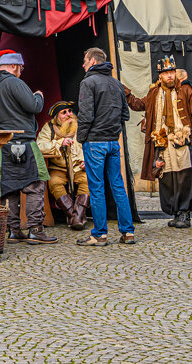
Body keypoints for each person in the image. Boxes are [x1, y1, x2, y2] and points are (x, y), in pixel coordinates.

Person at [126, 57, 192, 229]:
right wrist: (126, 93)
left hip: (182, 142)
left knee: (184, 179)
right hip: (162, 143)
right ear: (160, 76)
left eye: (172, 72)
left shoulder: (188, 90)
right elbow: (138, 105)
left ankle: (184, 213)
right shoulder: (154, 93)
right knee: (167, 179)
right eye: (165, 73)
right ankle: (175, 212)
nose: (169, 76)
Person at [0, 50, 55, 244]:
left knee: (9, 188)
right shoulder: (15, 83)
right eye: (21, 68)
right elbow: (34, 106)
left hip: (3, 145)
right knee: (35, 185)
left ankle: (14, 230)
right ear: (13, 66)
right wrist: (38, 96)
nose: (21, 71)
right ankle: (35, 230)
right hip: (24, 142)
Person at [75, 47, 136, 246]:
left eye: (85, 60)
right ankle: (128, 233)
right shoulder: (117, 84)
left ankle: (100, 234)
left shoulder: (88, 82)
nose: (83, 64)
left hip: (95, 142)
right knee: (118, 186)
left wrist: (81, 138)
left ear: (93, 61)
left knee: (97, 188)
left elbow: (85, 116)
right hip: (112, 141)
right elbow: (125, 115)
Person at [36, 101, 89, 229]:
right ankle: (75, 216)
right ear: (56, 116)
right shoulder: (49, 127)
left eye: (70, 111)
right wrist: (59, 143)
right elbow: (39, 146)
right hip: (59, 167)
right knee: (53, 182)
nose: (68, 114)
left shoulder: (80, 125)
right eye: (64, 112)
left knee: (88, 180)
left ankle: (76, 216)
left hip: (78, 166)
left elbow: (89, 144)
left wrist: (86, 160)